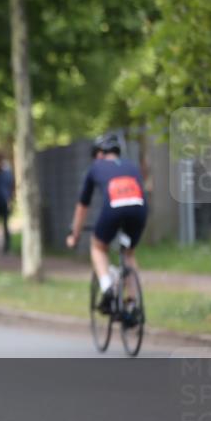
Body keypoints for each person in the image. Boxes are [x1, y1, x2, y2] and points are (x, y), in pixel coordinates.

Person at [66, 133, 147, 319]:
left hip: (114, 209)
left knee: (97, 247)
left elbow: (82, 207)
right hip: (139, 210)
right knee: (129, 253)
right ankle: (134, 304)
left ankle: (107, 288)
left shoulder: (96, 167)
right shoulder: (131, 166)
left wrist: (75, 234)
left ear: (100, 154)